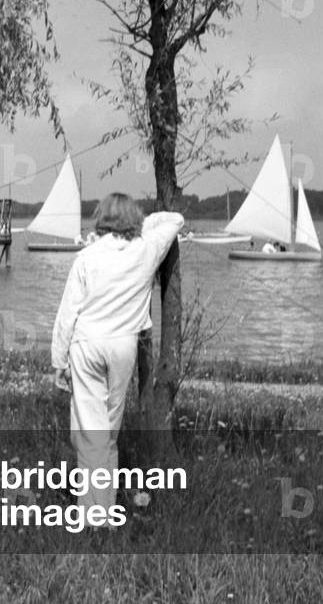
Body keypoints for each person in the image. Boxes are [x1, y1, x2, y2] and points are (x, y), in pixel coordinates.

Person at [51, 192, 184, 515]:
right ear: (133, 221)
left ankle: (93, 514)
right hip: (123, 346)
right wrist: (142, 224)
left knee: (90, 431)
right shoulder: (146, 249)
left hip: (87, 344)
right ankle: (103, 510)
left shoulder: (88, 256)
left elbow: (68, 312)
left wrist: (58, 360)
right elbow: (174, 219)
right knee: (108, 431)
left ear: (101, 219)